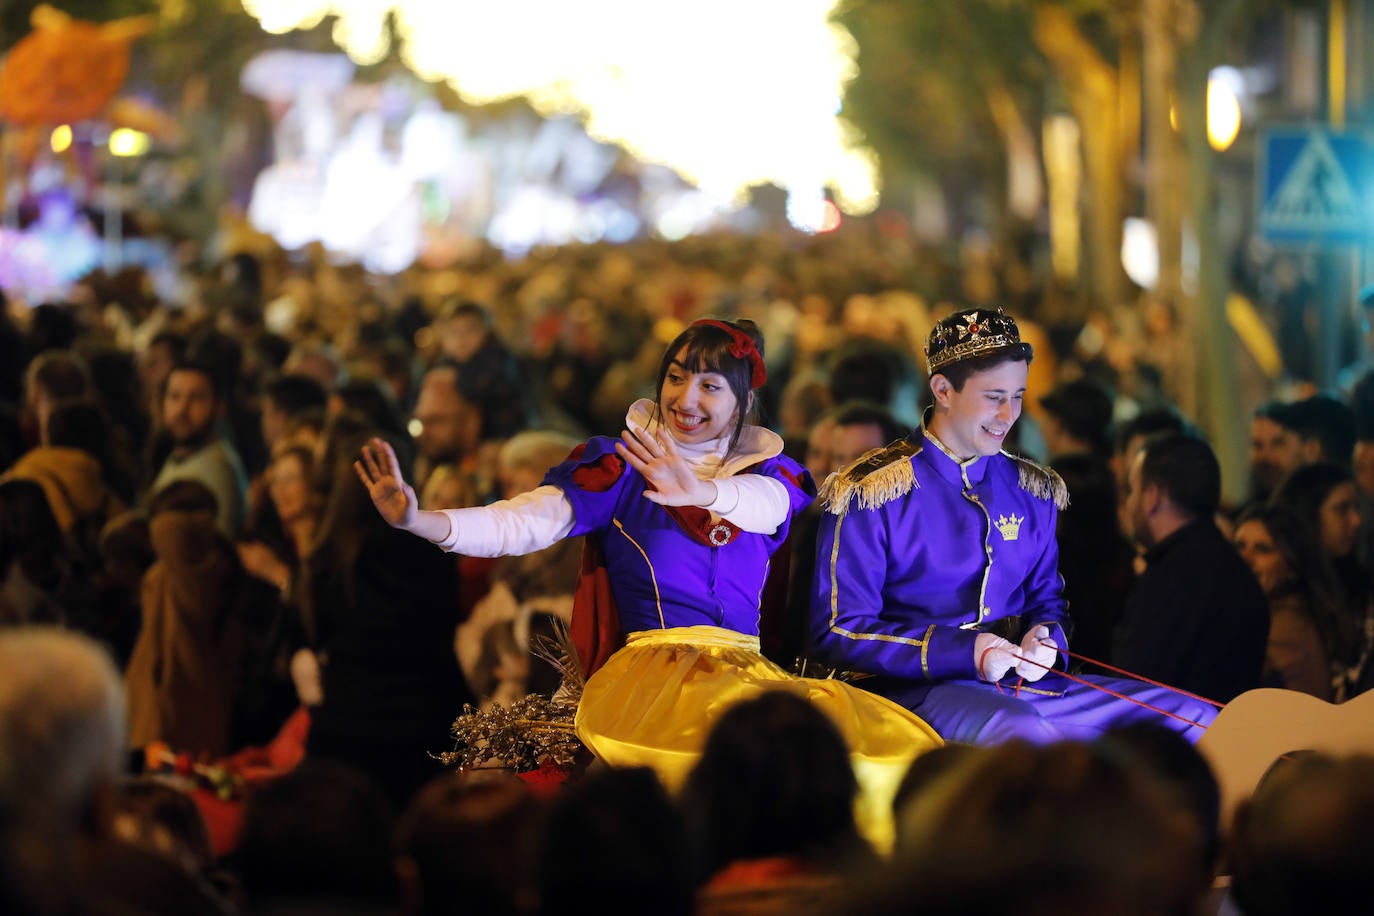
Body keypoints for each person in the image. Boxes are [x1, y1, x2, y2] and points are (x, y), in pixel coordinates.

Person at [356, 318, 941, 841]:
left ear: (742, 401)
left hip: (749, 673)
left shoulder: (771, 477)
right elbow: (523, 523)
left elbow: (768, 510)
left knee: (879, 754)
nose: (686, 398)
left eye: (710, 386)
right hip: (653, 676)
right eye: (677, 378)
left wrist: (702, 491)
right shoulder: (619, 468)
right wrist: (420, 519)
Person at [808, 307, 1218, 745]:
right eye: (993, 396)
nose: (1009, 414)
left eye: (1018, 396)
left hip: (1022, 687)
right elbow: (838, 629)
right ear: (942, 389)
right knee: (1018, 729)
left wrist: (1048, 639)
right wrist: (965, 651)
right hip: (911, 693)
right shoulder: (873, 491)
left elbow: (1048, 601)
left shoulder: (1031, 488)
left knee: (1195, 717)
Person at [1113, 432, 1270, 703]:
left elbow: (1134, 688)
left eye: (1133, 490)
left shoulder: (1170, 581)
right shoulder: (1234, 569)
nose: (1129, 503)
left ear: (1153, 497)